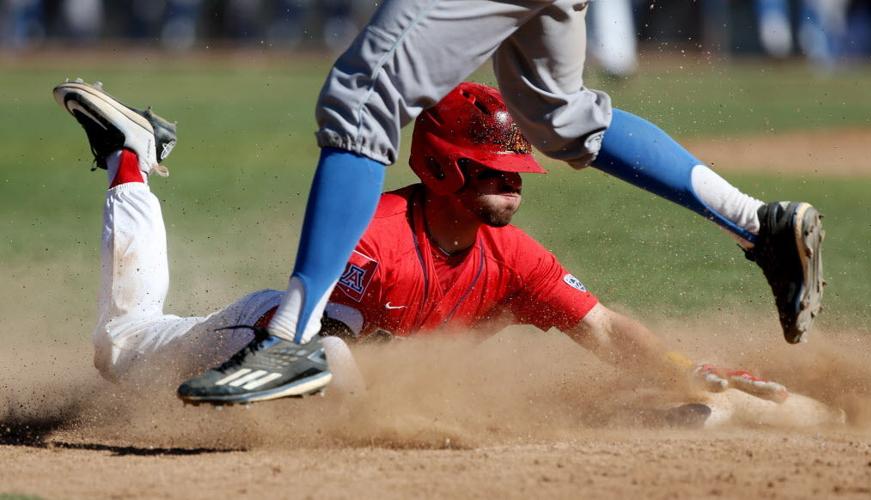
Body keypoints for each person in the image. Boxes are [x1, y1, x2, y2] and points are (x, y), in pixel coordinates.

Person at [165, 0, 825, 405]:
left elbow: (596, 325)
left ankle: (285, 341)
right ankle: (754, 222)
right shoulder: (410, 238)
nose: (509, 184)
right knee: (559, 115)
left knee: (362, 98)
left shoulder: (502, 253)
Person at [53, 80, 788, 406]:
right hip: (276, 336)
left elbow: (601, 329)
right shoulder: (372, 237)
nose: (515, 185)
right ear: (439, 167)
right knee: (121, 349)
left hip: (331, 368)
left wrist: (681, 371)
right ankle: (132, 154)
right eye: (494, 172)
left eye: (516, 171)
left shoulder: (515, 258)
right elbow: (323, 355)